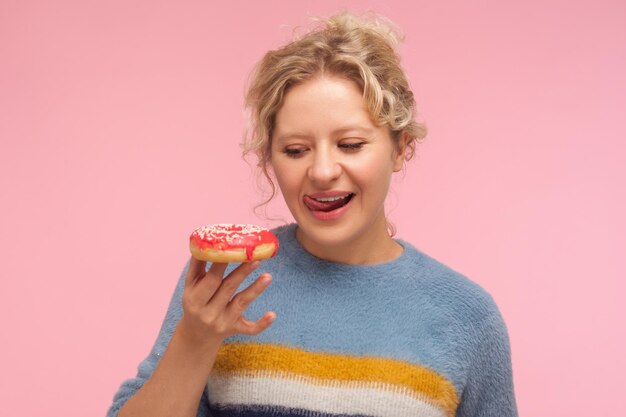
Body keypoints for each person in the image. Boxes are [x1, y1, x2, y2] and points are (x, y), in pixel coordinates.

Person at [107, 12, 518, 417]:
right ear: (269, 159)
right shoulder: (226, 281)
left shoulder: (467, 318)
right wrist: (196, 338)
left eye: (352, 144)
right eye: (295, 150)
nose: (322, 171)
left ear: (401, 147)